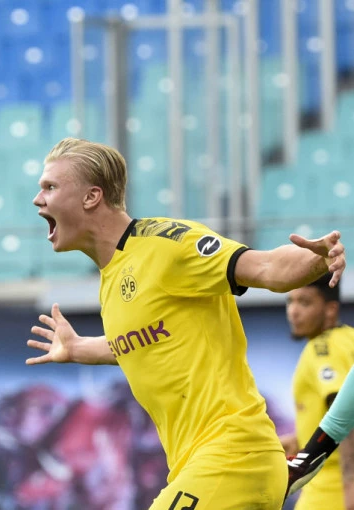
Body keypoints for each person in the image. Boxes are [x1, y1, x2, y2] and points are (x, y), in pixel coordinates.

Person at [25, 138, 346, 509]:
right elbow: (144, 343)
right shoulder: (113, 277)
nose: (38, 199)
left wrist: (317, 260)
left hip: (232, 457)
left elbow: (265, 266)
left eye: (50, 187)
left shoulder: (167, 245)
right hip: (207, 467)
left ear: (91, 197)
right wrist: (79, 347)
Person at [281, 276, 354, 507]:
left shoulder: (322, 348)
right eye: (290, 301)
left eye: (305, 302)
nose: (293, 311)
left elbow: (345, 413)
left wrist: (350, 484)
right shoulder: (348, 338)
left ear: (330, 309)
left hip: (330, 488)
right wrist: (300, 439)